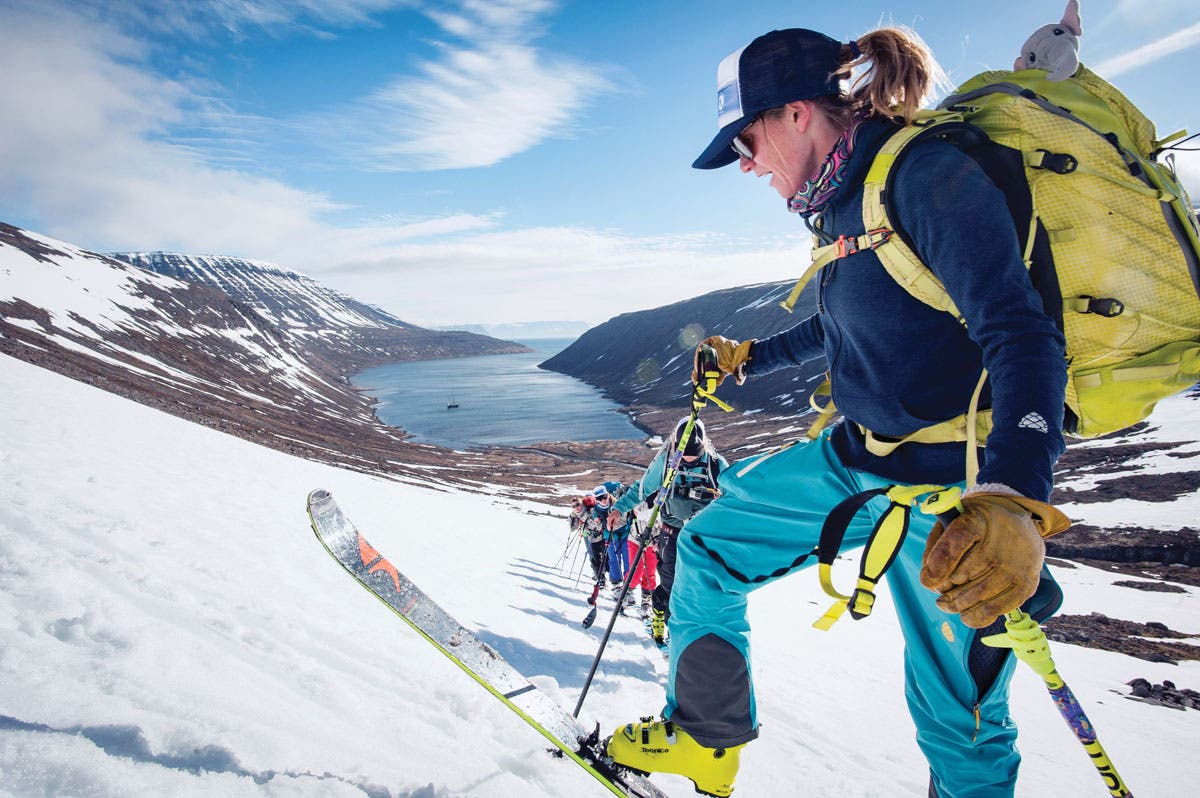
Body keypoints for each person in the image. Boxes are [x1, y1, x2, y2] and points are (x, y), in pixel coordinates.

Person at [606, 26, 1071, 798]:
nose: (745, 164)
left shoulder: (926, 176)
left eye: (745, 140)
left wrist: (1016, 499)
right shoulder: (840, 204)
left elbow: (1022, 335)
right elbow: (853, 324)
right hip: (856, 459)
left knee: (958, 717)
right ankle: (705, 739)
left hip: (952, 493)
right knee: (708, 548)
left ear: (795, 113)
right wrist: (753, 357)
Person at [609, 417, 727, 644]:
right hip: (672, 531)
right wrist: (619, 509)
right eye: (684, 457)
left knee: (702, 585)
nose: (689, 461)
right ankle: (675, 631)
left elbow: (732, 494)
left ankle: (691, 628)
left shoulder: (715, 464)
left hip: (703, 535)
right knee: (672, 583)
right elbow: (641, 489)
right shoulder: (665, 464)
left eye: (694, 457)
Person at [591, 483, 634, 603]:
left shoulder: (617, 503)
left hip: (625, 534)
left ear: (608, 495)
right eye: (599, 498)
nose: (603, 500)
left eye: (604, 497)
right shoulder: (596, 510)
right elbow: (597, 525)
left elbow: (625, 516)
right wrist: (600, 523)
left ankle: (629, 588)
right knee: (614, 559)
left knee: (628, 559)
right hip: (610, 536)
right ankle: (616, 585)